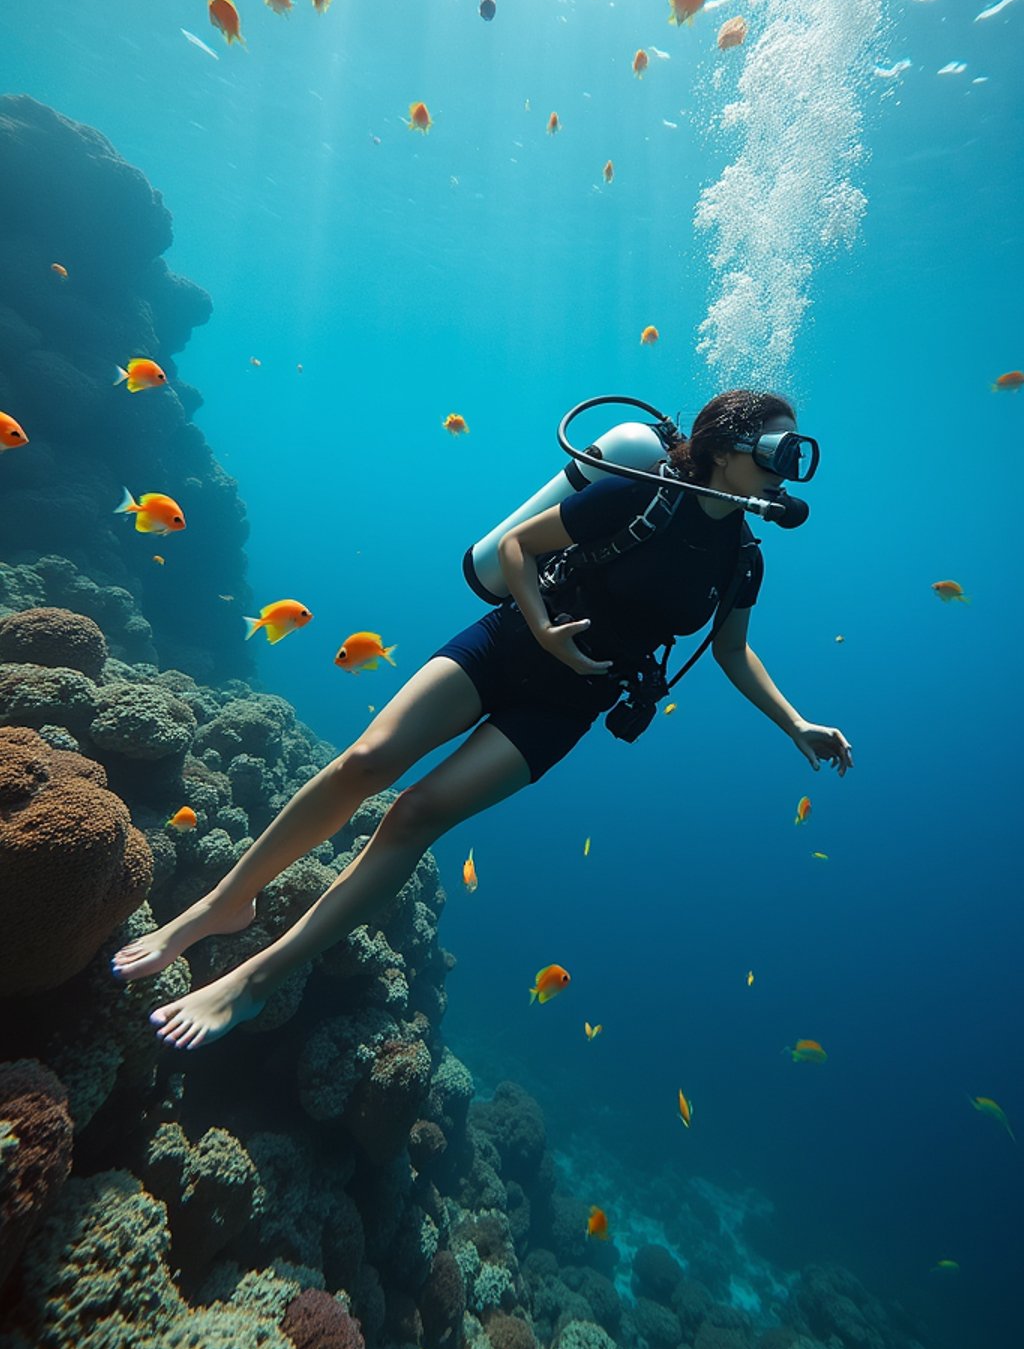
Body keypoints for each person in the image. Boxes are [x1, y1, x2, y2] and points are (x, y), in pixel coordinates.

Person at [111, 388, 853, 1049]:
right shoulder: (642, 493)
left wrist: (796, 723)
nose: (789, 468)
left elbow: (732, 652)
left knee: (415, 816)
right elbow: (519, 545)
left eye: (798, 453)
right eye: (780, 449)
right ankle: (223, 902)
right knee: (365, 762)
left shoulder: (743, 559)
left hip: (569, 702)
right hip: (506, 644)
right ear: (726, 448)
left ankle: (255, 981)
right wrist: (538, 624)